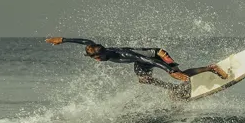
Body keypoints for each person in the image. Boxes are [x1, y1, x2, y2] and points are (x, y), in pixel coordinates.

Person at [45, 37, 228, 86]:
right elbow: (85, 42)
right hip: (144, 61)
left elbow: (141, 58)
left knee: (178, 73)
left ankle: (210, 68)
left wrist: (170, 71)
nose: (96, 61)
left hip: (158, 55)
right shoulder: (96, 48)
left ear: (99, 56)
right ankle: (173, 90)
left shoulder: (119, 55)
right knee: (144, 80)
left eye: (96, 58)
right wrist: (63, 40)